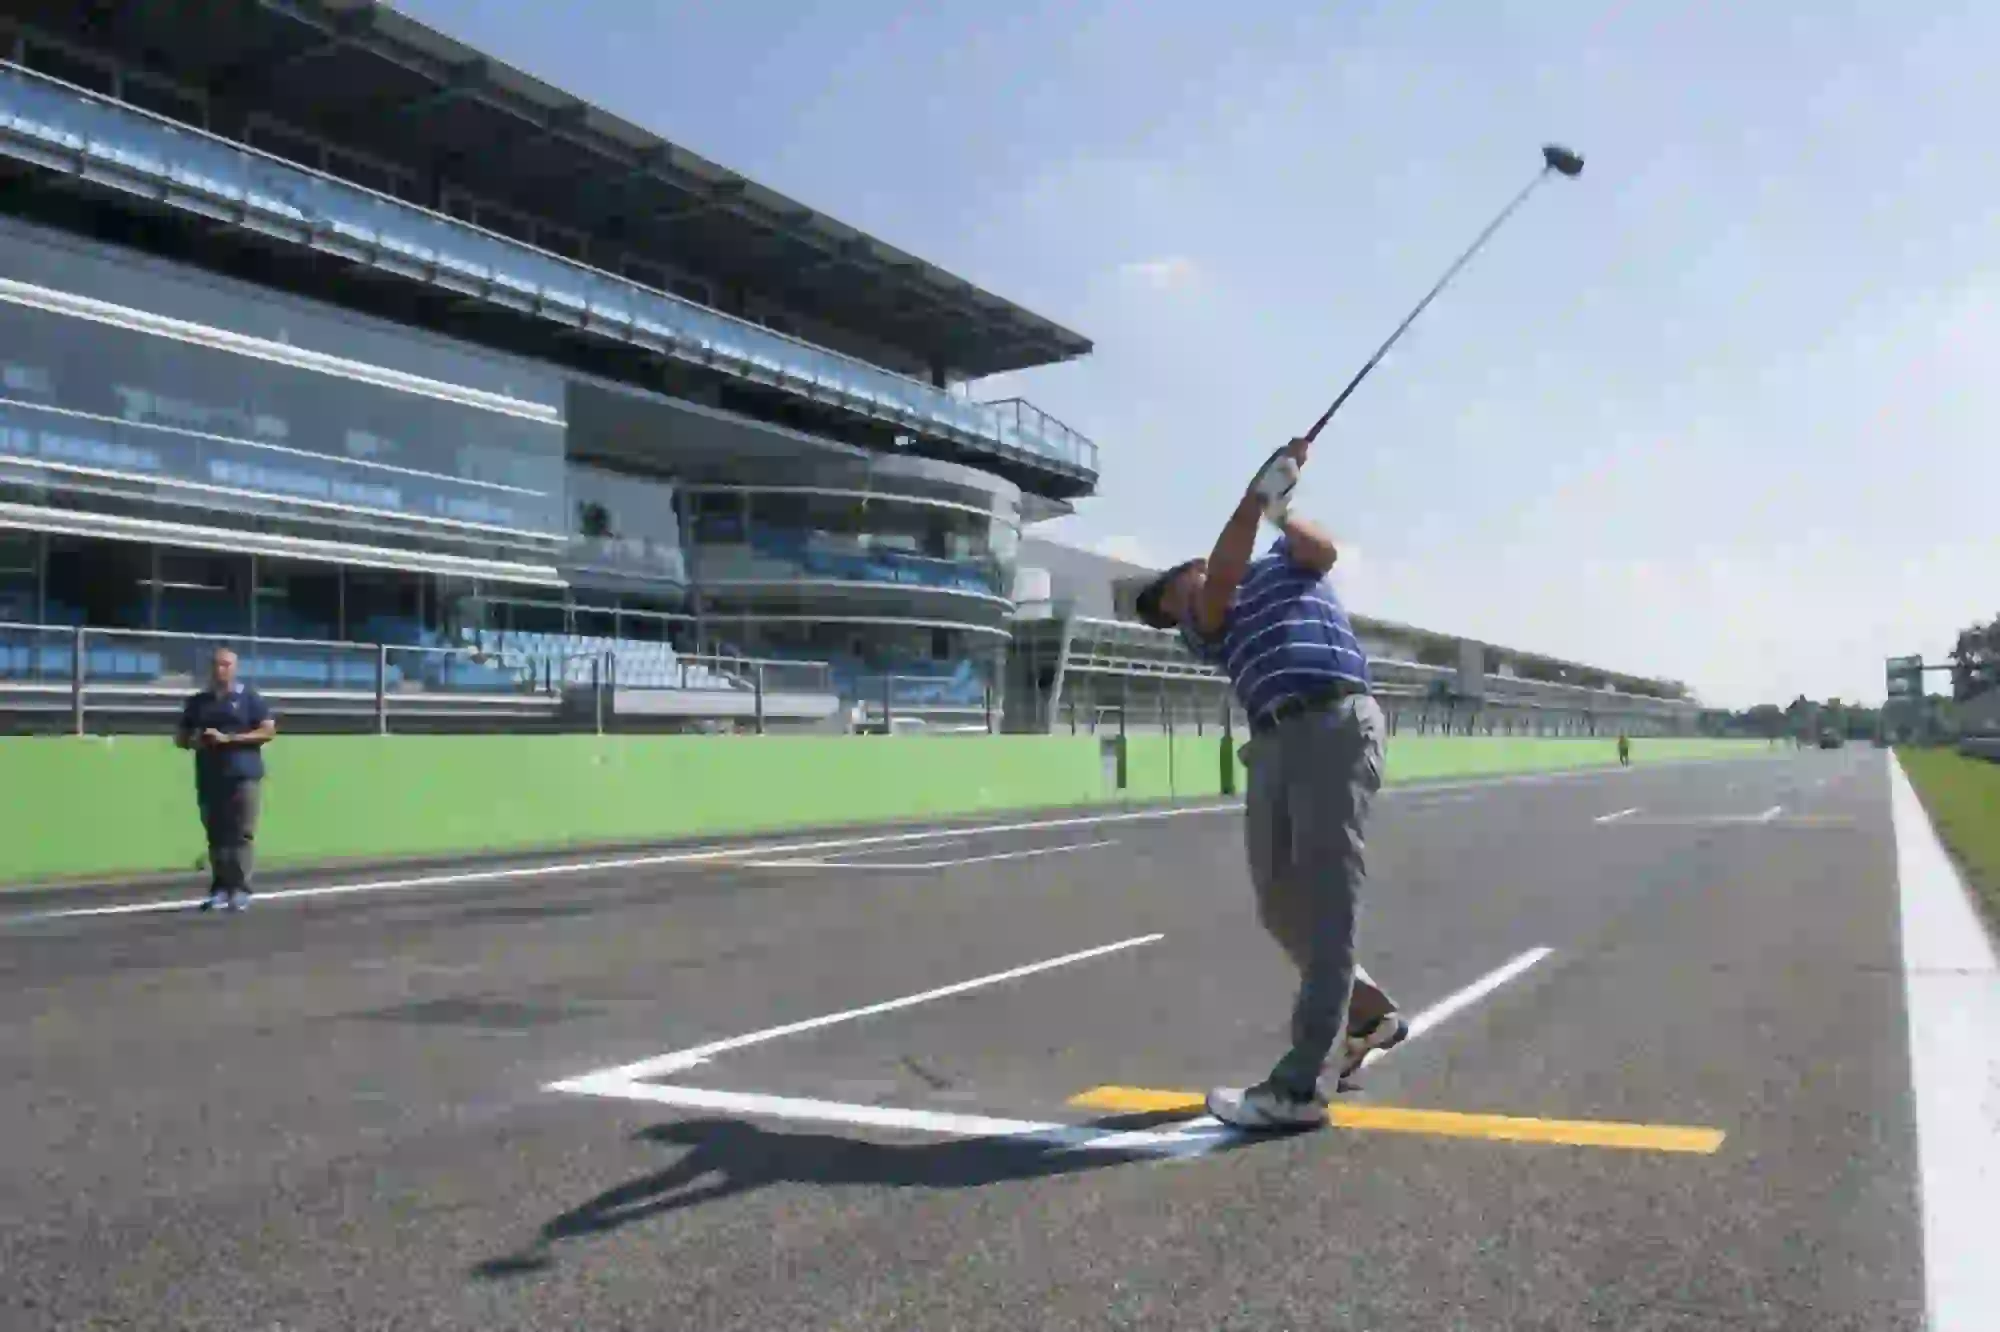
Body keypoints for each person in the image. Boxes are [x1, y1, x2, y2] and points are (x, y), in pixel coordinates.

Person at [1133, 437, 1407, 1131]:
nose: (1173, 606)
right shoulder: (1206, 624)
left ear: (1190, 567)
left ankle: (1300, 1086)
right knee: (1279, 903)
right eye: (1168, 607)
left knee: (1324, 896)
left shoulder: (1282, 561)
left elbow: (1323, 551)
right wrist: (1256, 495)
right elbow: (1221, 585)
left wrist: (1279, 505)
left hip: (1332, 719)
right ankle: (1366, 1012)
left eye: (1170, 591)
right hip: (1275, 742)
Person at [176, 647, 276, 912]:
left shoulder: (249, 698)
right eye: (217, 665)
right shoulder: (198, 702)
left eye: (226, 665)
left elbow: (267, 731)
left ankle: (240, 889)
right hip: (210, 775)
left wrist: (230, 739)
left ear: (235, 668)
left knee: (241, 833)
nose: (221, 669)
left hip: (243, 774)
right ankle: (220, 887)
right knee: (216, 834)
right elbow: (180, 737)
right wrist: (196, 740)